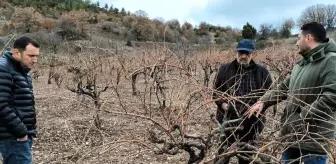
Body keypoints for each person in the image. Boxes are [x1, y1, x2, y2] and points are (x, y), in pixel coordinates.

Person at [245, 22, 336, 164]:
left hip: (313, 141)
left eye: (298, 38)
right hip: (291, 136)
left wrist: (301, 117)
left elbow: (332, 97)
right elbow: (283, 87)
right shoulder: (302, 64)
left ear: (309, 38)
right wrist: (263, 102)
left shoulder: (331, 61)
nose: (296, 43)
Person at [212, 38, 273, 164]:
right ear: (236, 53)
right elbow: (216, 93)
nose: (244, 56)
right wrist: (223, 104)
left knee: (246, 155)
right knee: (223, 155)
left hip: (252, 122)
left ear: (252, 54)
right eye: (241, 53)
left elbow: (270, 95)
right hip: (228, 119)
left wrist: (260, 105)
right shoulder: (225, 69)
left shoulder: (262, 72)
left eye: (247, 53)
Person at [0, 36, 40, 164]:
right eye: (31, 56)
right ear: (17, 53)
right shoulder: (4, 68)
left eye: (36, 56)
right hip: (13, 136)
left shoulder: (21, 69)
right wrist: (21, 131)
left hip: (20, 135)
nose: (35, 60)